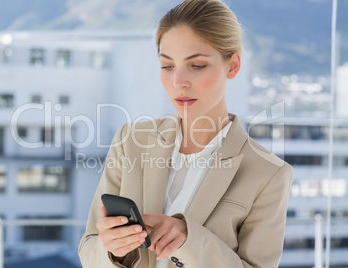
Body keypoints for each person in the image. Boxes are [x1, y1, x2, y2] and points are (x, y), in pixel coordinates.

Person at [78, 0, 293, 267]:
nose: (178, 82)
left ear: (233, 65)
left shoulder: (268, 173)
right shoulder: (130, 141)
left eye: (197, 65)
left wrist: (190, 240)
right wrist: (114, 251)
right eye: (167, 66)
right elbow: (89, 248)